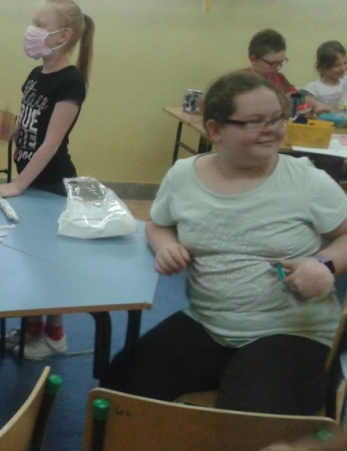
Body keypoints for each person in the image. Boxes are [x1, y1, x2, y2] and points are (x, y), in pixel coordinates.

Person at [105, 70, 347, 416]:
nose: (272, 129)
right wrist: (166, 245)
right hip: (209, 323)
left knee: (245, 419)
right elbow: (158, 224)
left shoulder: (306, 180)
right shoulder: (184, 176)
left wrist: (323, 265)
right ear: (216, 130)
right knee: (120, 385)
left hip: (294, 331)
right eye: (255, 121)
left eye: (277, 119)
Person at [0, 0, 95, 360]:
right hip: (31, 183)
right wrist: (9, 130)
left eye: (41, 25)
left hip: (52, 186)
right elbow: (32, 127)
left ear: (64, 36)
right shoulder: (35, 76)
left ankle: (55, 335)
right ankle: (32, 330)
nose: (32, 30)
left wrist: (18, 184)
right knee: (29, 260)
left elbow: (51, 142)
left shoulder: (71, 81)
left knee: (48, 266)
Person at [244, 28, 297, 94]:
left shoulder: (279, 78)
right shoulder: (238, 81)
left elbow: (297, 95)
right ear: (253, 59)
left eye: (280, 63)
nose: (278, 68)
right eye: (273, 64)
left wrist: (295, 96)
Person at [301, 41, 347, 114]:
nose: (343, 68)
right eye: (337, 65)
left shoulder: (345, 82)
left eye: (345, 63)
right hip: (323, 121)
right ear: (321, 68)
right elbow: (303, 100)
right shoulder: (314, 87)